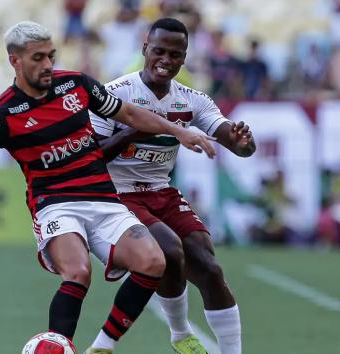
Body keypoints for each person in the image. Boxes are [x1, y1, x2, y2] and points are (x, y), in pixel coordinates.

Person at [0, 21, 217, 353]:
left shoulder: (76, 85)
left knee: (153, 261)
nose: (47, 65)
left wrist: (180, 131)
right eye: (38, 57)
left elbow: (129, 112)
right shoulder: (4, 112)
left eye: (50, 56)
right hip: (56, 205)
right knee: (78, 271)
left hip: (104, 200)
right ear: (15, 61)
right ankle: (59, 343)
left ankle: (103, 346)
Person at [89, 18, 255, 354]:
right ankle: (181, 334)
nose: (166, 60)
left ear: (185, 56)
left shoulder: (191, 99)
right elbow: (91, 158)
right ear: (145, 48)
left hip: (160, 191)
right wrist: (136, 128)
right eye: (159, 51)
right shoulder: (115, 94)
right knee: (169, 250)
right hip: (118, 192)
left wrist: (242, 143)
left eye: (175, 54)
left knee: (209, 268)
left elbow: (235, 143)